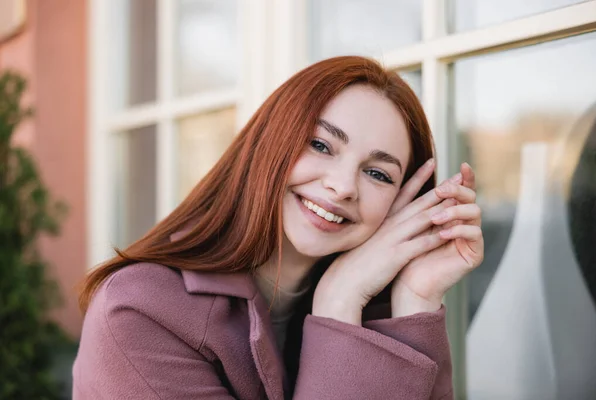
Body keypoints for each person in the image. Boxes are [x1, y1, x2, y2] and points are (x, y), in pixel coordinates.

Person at [73, 56, 483, 399]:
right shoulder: (140, 311)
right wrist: (338, 306)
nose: (342, 186)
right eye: (320, 145)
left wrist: (414, 298)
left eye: (377, 173)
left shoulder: (377, 307)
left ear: (400, 204)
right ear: (270, 142)